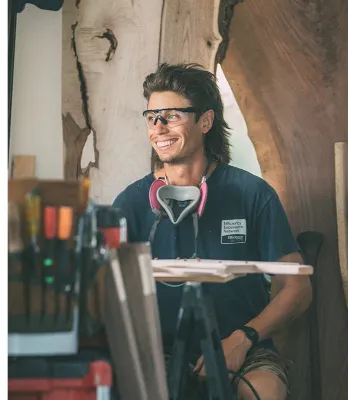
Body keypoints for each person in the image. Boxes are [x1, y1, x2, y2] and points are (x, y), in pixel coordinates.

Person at [113, 63, 312, 400]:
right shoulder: (130, 203)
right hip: (158, 352)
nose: (158, 127)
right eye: (151, 117)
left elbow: (298, 288)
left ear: (205, 121)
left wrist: (243, 338)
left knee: (263, 393)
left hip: (243, 349)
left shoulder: (253, 194)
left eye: (171, 116)